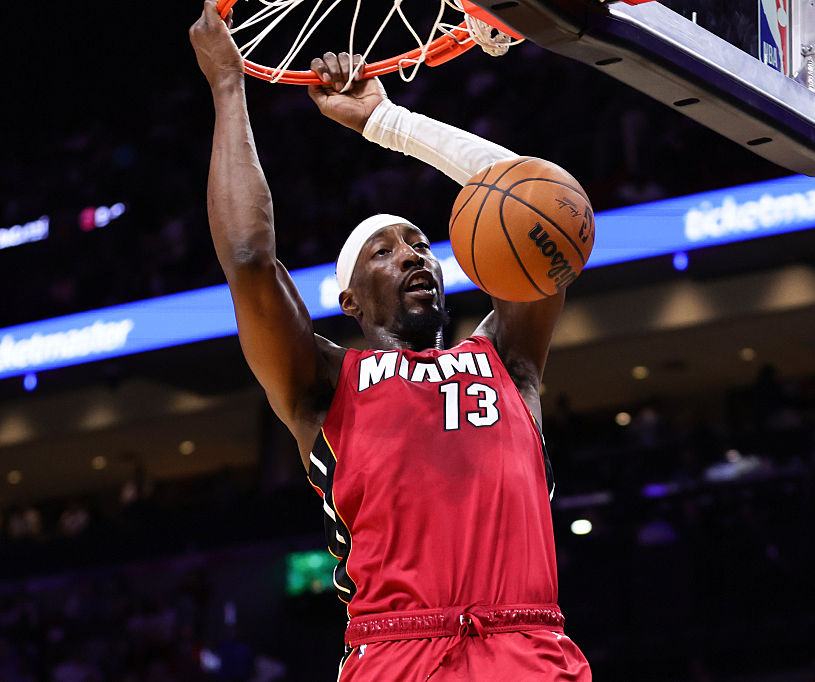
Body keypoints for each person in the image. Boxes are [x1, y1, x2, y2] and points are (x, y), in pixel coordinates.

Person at [188, 2, 592, 680]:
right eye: (384, 250)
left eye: (422, 244)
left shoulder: (505, 361)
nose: (413, 256)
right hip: (396, 655)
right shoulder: (323, 385)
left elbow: (542, 204)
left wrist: (387, 122)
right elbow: (250, 260)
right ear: (348, 300)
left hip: (528, 648)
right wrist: (229, 87)